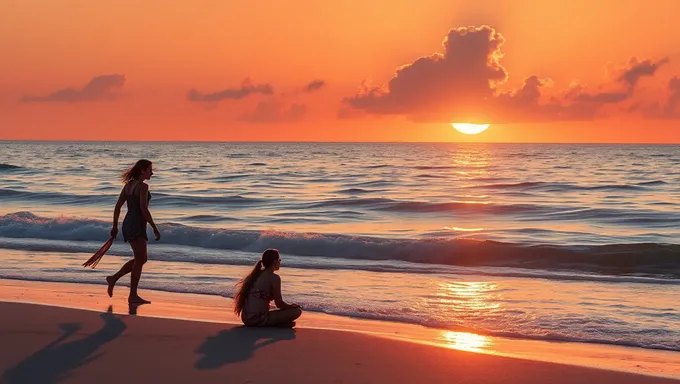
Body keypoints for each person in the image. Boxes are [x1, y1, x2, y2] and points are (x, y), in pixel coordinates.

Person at [106, 159, 160, 304]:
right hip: (137, 224)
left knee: (141, 259)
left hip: (128, 223)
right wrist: (154, 226)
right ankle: (132, 295)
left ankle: (114, 278)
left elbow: (118, 206)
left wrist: (115, 226)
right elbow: (143, 209)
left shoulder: (128, 185)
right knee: (140, 260)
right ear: (143, 170)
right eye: (149, 170)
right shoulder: (142, 187)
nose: (152, 173)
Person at [234, 249, 302, 327]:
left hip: (246, 318)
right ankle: (276, 324)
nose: (280, 262)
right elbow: (279, 304)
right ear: (274, 261)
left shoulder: (255, 275)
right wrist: (290, 306)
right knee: (297, 311)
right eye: (279, 260)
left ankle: (278, 323)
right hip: (258, 319)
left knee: (274, 309)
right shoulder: (274, 278)